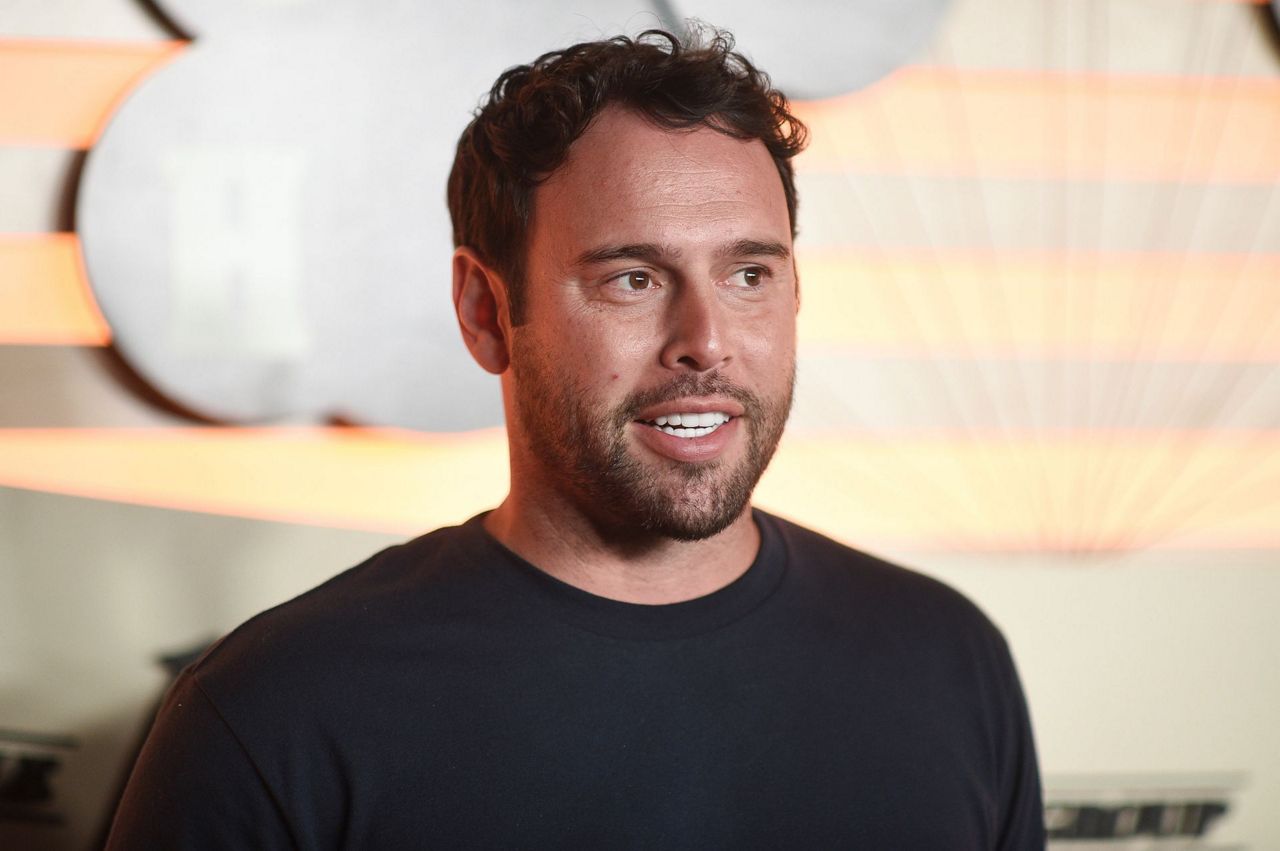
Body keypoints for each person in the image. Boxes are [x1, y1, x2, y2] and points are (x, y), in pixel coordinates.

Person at [107, 28, 1045, 849]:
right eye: (632, 279)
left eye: (749, 274)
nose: (706, 341)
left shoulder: (948, 661)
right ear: (486, 312)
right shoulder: (277, 709)